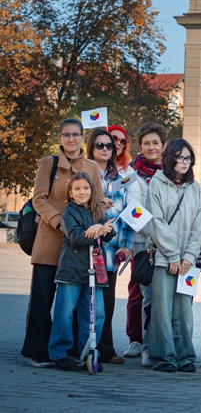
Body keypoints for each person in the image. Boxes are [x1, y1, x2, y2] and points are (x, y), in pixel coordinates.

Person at [22, 118, 103, 368]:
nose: (71, 139)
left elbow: (96, 200)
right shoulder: (49, 163)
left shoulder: (91, 166)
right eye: (66, 135)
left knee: (75, 300)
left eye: (76, 135)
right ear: (60, 138)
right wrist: (60, 222)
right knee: (43, 297)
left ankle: (74, 352)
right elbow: (39, 199)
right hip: (51, 236)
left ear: (82, 137)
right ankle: (38, 351)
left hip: (80, 244)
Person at [147, 139, 201, 373]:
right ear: (169, 158)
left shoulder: (195, 187)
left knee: (184, 308)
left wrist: (189, 257)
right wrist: (172, 255)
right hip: (163, 258)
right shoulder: (157, 184)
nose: (184, 162)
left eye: (188, 158)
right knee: (161, 307)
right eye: (180, 157)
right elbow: (156, 222)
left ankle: (185, 356)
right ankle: (163, 356)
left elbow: (198, 225)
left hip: (187, 262)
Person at [48, 172, 115, 370]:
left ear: (92, 190)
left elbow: (109, 233)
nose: (82, 192)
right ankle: (59, 353)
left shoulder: (97, 211)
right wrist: (98, 231)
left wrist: (107, 230)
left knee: (97, 314)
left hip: (95, 270)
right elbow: (76, 236)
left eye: (85, 188)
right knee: (65, 312)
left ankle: (89, 351)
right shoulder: (69, 213)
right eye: (77, 189)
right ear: (70, 192)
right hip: (72, 270)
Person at [86, 128, 133, 365]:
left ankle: (105, 348)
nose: (105, 149)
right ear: (91, 148)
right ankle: (81, 347)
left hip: (111, 249)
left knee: (107, 300)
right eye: (100, 145)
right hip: (85, 248)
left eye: (109, 146)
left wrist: (126, 247)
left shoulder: (121, 178)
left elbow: (128, 215)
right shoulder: (84, 173)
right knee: (84, 299)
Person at [125, 122, 168, 366]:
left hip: (170, 246)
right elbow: (135, 212)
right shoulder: (134, 176)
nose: (151, 147)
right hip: (145, 246)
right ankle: (146, 346)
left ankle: (166, 342)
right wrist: (159, 234)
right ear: (140, 147)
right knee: (148, 297)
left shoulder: (173, 172)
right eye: (146, 144)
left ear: (163, 145)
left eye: (155, 143)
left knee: (168, 298)